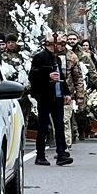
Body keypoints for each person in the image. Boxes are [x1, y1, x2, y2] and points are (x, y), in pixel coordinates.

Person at [29, 33, 72, 166]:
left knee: (59, 125)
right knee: (43, 125)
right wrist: (47, 76)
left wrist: (66, 93)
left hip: (57, 95)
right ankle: (40, 155)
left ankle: (61, 153)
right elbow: (33, 76)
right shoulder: (40, 57)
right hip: (45, 96)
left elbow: (62, 77)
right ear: (51, 44)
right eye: (58, 43)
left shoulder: (57, 59)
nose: (60, 46)